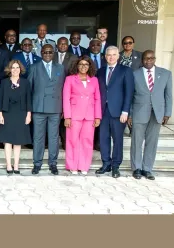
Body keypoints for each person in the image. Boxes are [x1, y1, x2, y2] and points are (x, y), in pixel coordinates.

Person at [129, 50, 172, 180]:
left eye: (151, 58)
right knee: (136, 141)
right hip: (139, 112)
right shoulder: (135, 74)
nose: (148, 61)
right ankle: (136, 168)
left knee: (152, 142)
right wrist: (130, 114)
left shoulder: (165, 74)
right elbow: (130, 96)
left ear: (155, 59)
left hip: (157, 113)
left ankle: (147, 169)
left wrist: (167, 113)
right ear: (142, 60)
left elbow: (169, 95)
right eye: (146, 59)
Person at [96, 46, 134, 178]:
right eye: (108, 55)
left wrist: (125, 111)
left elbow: (129, 93)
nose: (111, 57)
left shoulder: (126, 71)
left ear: (118, 56)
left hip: (118, 112)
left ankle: (116, 166)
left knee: (117, 139)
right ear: (105, 56)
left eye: (113, 55)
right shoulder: (100, 71)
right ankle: (106, 163)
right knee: (103, 138)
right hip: (103, 111)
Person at [27, 44, 66, 175]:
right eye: (45, 52)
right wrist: (29, 108)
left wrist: (64, 109)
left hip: (55, 107)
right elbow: (29, 89)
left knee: (54, 137)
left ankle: (53, 163)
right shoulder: (34, 67)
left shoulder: (60, 68)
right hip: (39, 107)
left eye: (50, 52)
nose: (48, 54)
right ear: (41, 53)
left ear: (54, 53)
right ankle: (37, 163)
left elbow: (64, 89)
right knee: (38, 137)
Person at [63, 56, 101, 175]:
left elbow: (97, 99)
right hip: (74, 115)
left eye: (86, 64)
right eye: (81, 64)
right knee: (72, 140)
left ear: (90, 66)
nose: (83, 67)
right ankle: (73, 166)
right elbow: (66, 98)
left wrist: (97, 116)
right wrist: (67, 116)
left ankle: (84, 166)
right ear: (76, 66)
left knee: (87, 141)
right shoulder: (70, 79)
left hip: (89, 115)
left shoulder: (94, 80)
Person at [0, 60, 32, 174]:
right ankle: (8, 165)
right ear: (10, 69)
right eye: (13, 67)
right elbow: (0, 99)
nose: (15, 69)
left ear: (20, 69)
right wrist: (0, 114)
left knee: (18, 141)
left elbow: (28, 100)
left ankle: (16, 165)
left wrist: (29, 114)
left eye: (17, 67)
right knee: (7, 141)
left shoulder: (25, 83)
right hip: (7, 113)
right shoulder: (4, 82)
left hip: (21, 113)